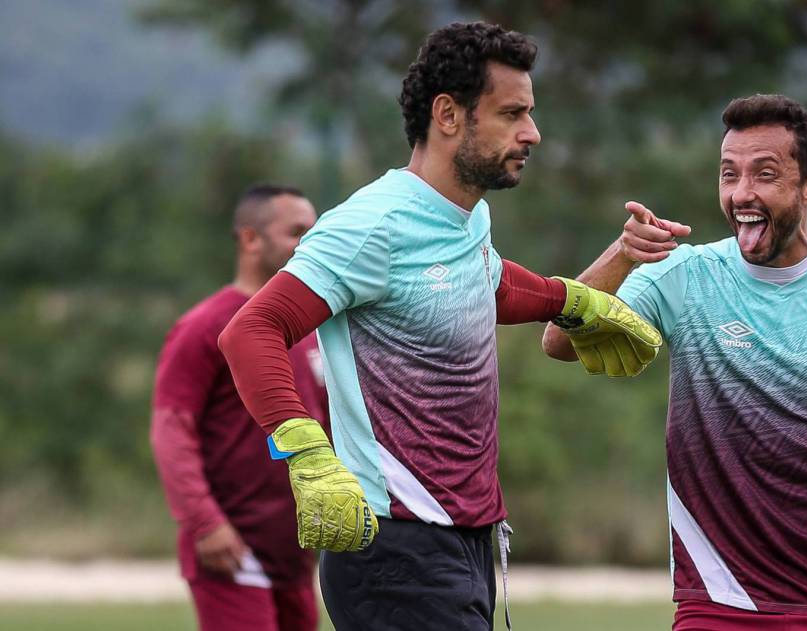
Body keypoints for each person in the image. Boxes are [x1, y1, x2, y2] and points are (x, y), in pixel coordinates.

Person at [217, 21, 660, 631]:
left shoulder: (464, 218)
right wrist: (307, 455)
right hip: (394, 548)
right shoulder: (372, 225)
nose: (532, 133)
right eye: (512, 114)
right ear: (448, 115)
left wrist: (573, 302)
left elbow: (485, 282)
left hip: (466, 541)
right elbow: (252, 330)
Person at [542, 94, 807, 631]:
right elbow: (559, 343)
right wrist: (623, 253)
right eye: (729, 175)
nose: (742, 193)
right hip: (718, 600)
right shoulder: (684, 276)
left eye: (765, 175)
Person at [150, 184, 327, 631]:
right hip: (234, 549)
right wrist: (205, 523)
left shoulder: (312, 327)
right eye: (297, 231)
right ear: (251, 240)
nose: (311, 243)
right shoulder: (205, 325)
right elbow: (172, 432)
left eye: (315, 231)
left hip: (297, 552)